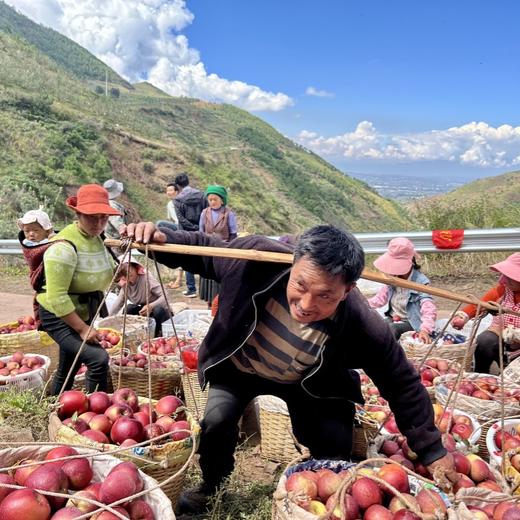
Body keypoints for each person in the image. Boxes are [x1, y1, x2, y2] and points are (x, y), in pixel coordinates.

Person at [120, 222, 457, 515]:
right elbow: (205, 250)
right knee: (216, 422)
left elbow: (401, 382)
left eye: (325, 295)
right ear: (294, 263)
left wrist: (432, 449)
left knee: (333, 440)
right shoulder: (254, 260)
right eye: (300, 286)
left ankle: (326, 496)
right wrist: (158, 239)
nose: (307, 305)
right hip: (240, 367)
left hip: (306, 381)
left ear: (348, 290)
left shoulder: (363, 324)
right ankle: (212, 485)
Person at [37, 184, 119, 395]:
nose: (99, 223)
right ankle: (95, 412)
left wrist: (124, 271)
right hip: (58, 315)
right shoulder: (62, 247)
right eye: (92, 216)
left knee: (69, 364)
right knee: (98, 359)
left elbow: (109, 270)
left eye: (104, 217)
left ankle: (52, 404)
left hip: (83, 313)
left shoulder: (98, 238)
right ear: (78, 213)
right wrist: (82, 329)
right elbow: (56, 297)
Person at [451, 253, 520, 373]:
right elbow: (481, 304)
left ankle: (509, 374)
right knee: (485, 341)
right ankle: (481, 375)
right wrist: (464, 316)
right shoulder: (503, 289)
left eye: (509, 277)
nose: (503, 280)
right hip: (501, 339)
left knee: (513, 380)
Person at [368, 237, 436, 343]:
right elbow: (379, 299)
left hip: (410, 322)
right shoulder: (393, 279)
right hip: (393, 318)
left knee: (391, 329)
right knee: (376, 326)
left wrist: (425, 330)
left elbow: (429, 309)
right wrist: (361, 304)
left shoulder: (420, 282)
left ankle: (386, 356)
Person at [196, 185, 238, 306]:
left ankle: (221, 303)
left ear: (222, 200)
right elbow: (201, 232)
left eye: (215, 199)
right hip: (208, 250)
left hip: (223, 250)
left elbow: (233, 234)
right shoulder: (204, 213)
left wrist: (231, 251)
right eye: (210, 200)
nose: (212, 202)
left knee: (220, 278)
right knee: (208, 276)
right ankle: (210, 304)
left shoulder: (228, 214)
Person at [111, 253, 171, 337]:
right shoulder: (125, 284)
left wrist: (151, 306)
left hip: (159, 312)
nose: (128, 279)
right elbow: (118, 304)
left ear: (135, 268)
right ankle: (133, 335)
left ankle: (155, 335)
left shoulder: (146, 279)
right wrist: (108, 319)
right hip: (144, 313)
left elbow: (166, 296)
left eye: (130, 273)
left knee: (158, 311)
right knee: (129, 309)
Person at [173, 173, 207, 297]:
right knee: (204, 259)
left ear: (177, 185)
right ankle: (204, 290)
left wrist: (192, 228)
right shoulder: (202, 195)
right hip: (202, 232)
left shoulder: (177, 200)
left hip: (185, 233)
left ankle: (191, 289)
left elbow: (181, 220)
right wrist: (200, 228)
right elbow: (206, 212)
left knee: (187, 259)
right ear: (188, 182)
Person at [156, 182, 183, 289]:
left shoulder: (181, 202)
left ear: (176, 191)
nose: (169, 192)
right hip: (175, 226)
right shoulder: (169, 204)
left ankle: (179, 280)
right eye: (167, 191)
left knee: (159, 224)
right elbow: (170, 220)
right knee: (160, 225)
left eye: (171, 190)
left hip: (182, 227)